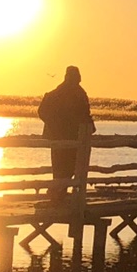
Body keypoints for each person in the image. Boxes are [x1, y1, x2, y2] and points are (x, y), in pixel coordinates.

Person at [38, 66, 94, 200]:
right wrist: (57, 125)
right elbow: (84, 113)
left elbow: (43, 111)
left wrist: (53, 126)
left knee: (61, 166)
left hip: (63, 137)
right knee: (68, 166)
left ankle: (59, 191)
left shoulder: (61, 92)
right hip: (71, 137)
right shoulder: (74, 93)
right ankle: (57, 192)